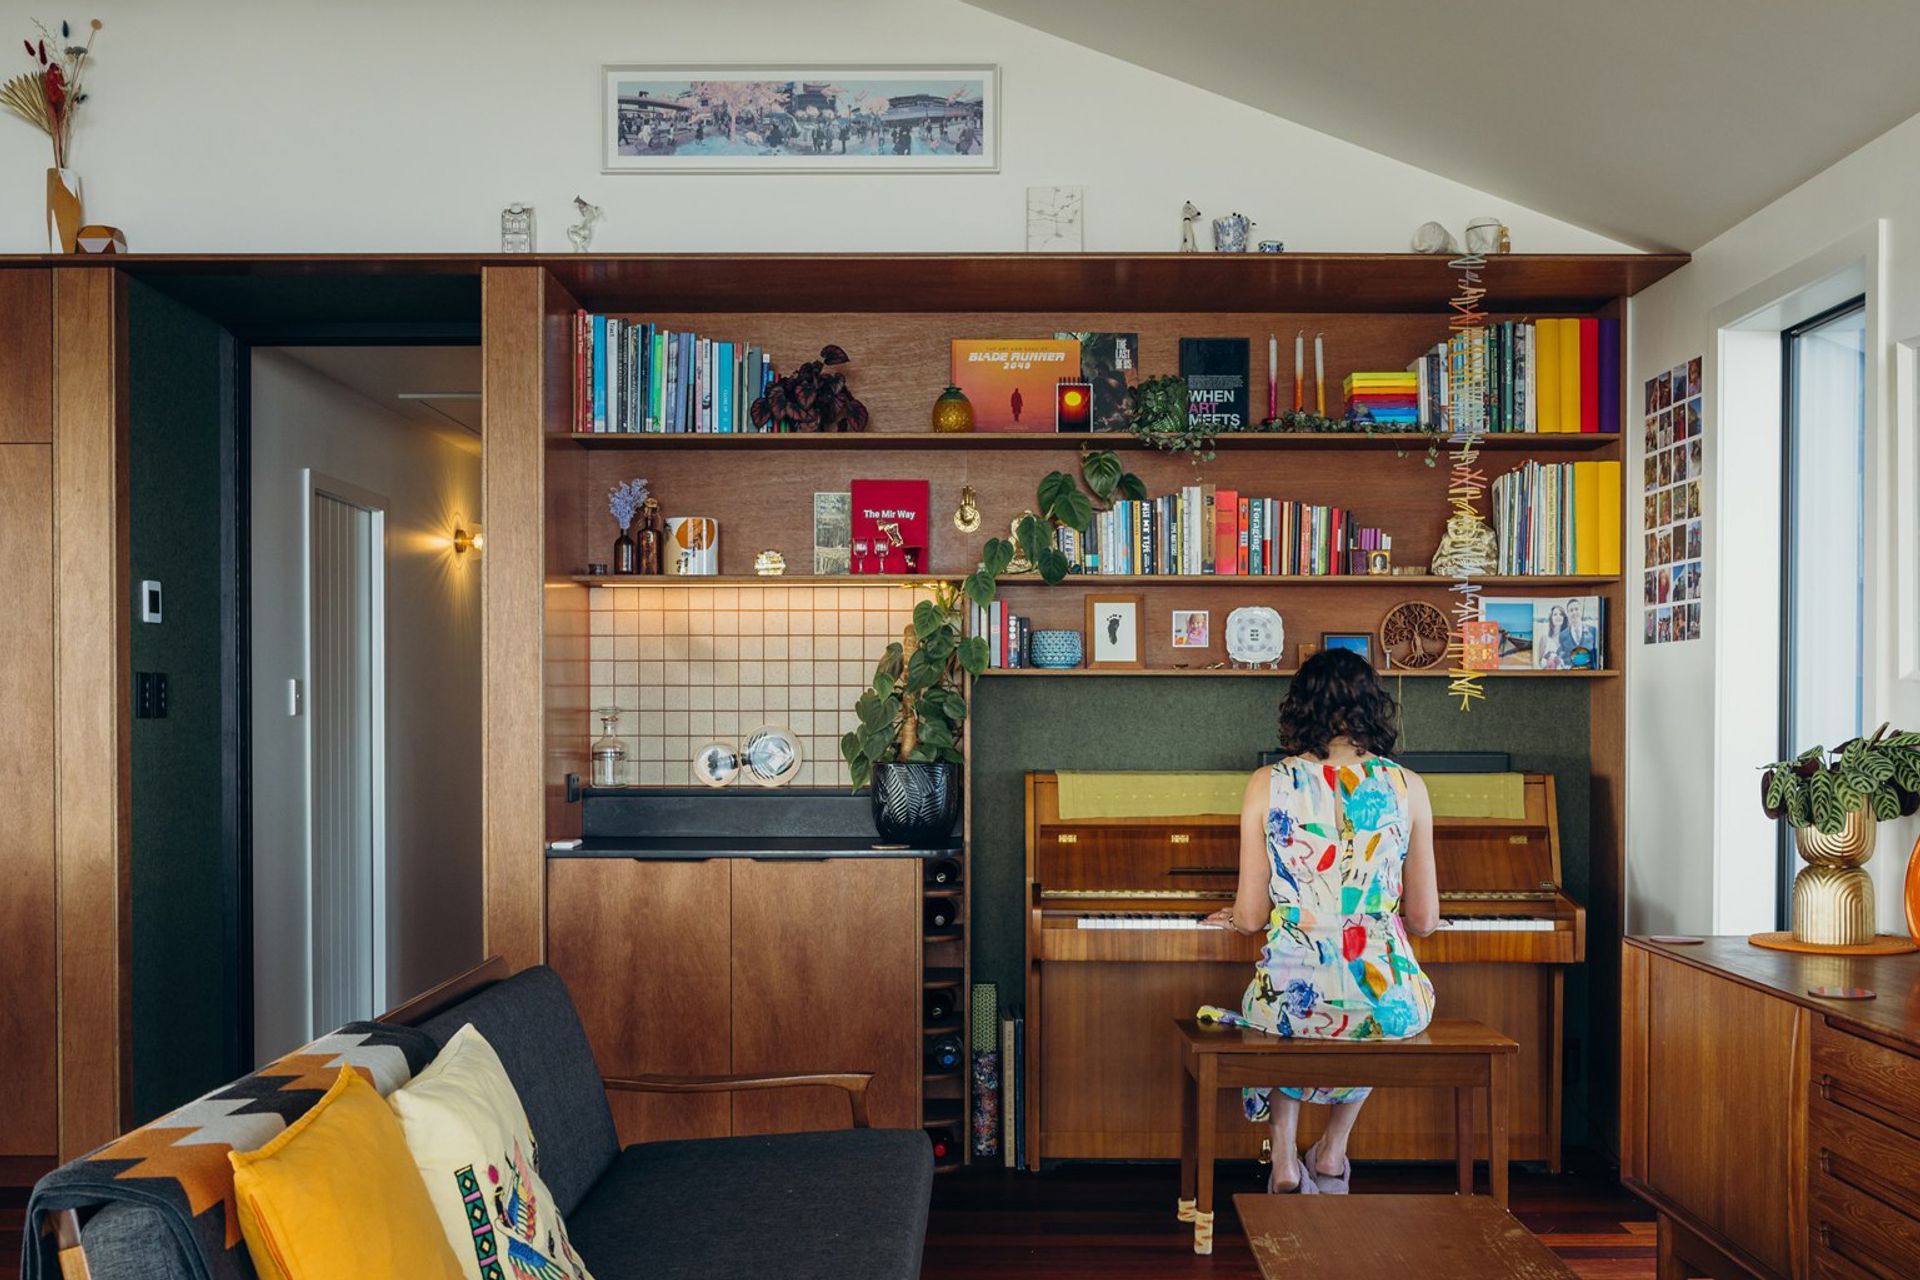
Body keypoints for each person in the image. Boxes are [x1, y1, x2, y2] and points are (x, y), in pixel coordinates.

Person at [1203, 649, 1440, 1194]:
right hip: (1384, 995)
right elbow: (1425, 919)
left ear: (1301, 707)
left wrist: (1234, 919)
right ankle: (1332, 1152)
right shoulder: (1408, 786)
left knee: (1286, 1005)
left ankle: (1285, 1162)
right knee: (1371, 1004)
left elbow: (1251, 914)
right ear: (1372, 708)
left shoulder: (1268, 783)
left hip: (1292, 994)